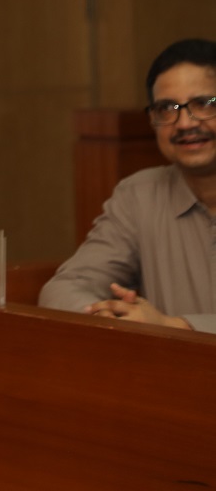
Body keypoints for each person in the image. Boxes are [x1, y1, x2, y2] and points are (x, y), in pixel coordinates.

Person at [39, 38, 216, 332]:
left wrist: (174, 326)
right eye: (167, 109)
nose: (184, 123)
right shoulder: (139, 196)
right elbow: (65, 287)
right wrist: (106, 317)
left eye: (203, 104)